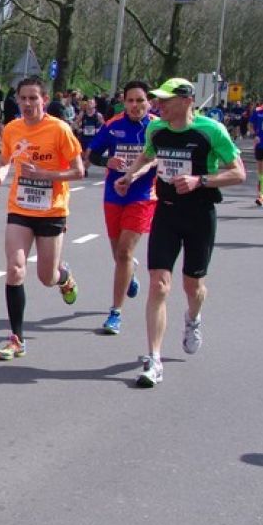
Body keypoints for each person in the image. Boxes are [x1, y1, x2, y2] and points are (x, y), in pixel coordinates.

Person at [114, 78, 245, 388]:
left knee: (192, 285)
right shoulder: (156, 129)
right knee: (159, 285)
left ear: (187, 101)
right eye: (158, 99)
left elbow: (238, 172)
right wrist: (130, 176)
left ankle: (193, 318)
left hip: (200, 214)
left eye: (166, 100)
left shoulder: (211, 131)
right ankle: (154, 359)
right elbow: (148, 155)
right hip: (167, 212)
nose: (159, 105)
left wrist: (201, 181)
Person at [0, 75, 85, 360]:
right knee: (15, 269)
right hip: (20, 208)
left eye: (33, 98)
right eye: (23, 98)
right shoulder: (12, 128)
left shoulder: (59, 129)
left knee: (46, 277)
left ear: (44, 100)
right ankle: (16, 339)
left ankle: (64, 277)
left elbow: (79, 171)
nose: (27, 104)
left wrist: (45, 174)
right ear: (17, 99)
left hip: (52, 210)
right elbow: (4, 161)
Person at [87, 80, 155, 335]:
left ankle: (115, 313)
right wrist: (108, 161)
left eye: (140, 100)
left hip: (143, 195)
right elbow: (92, 154)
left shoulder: (157, 127)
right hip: (114, 195)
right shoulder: (113, 125)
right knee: (118, 254)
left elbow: (163, 158)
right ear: (123, 102)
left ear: (149, 102)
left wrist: (142, 170)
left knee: (125, 252)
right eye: (130, 101)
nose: (135, 105)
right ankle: (130, 272)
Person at [74, 95, 103, 177]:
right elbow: (75, 123)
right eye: (88, 102)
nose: (89, 104)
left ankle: (84, 169)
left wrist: (98, 130)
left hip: (93, 138)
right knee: (83, 155)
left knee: (90, 155)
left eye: (91, 102)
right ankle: (83, 168)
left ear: (95, 104)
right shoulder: (83, 114)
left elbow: (104, 125)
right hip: (84, 137)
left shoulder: (98, 115)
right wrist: (78, 129)